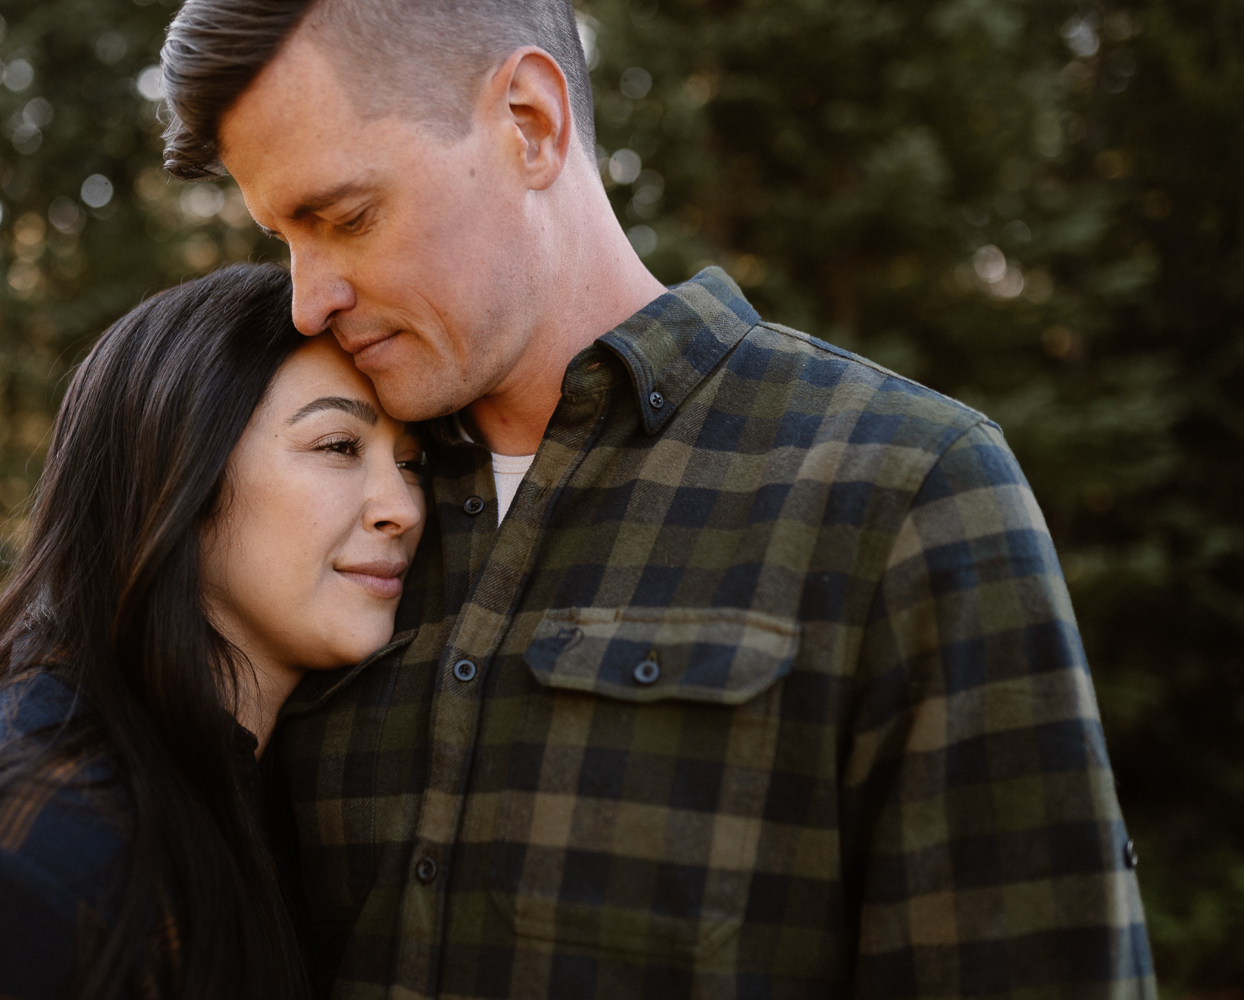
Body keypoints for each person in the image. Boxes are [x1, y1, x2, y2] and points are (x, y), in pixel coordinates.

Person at [157, 2, 1158, 999]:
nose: (307, 298)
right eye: (284, 236)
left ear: (531, 121)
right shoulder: (304, 517)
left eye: (345, 218)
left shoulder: (907, 490)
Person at [0, 263, 426, 1000]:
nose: (402, 509)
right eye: (337, 447)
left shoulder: (244, 791)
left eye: (413, 465)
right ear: (177, 471)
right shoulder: (17, 858)